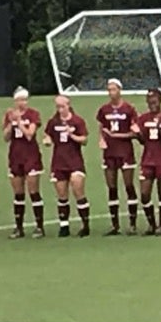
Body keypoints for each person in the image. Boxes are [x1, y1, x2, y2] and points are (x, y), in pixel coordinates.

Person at [95, 78, 139, 235]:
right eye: (109, 89)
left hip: (125, 151)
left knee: (129, 186)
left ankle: (132, 223)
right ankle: (115, 225)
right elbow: (101, 126)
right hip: (110, 153)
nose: (111, 92)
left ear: (120, 90)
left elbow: (135, 132)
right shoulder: (104, 109)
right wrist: (101, 139)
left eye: (113, 89)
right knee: (112, 188)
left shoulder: (129, 109)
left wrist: (117, 135)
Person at [2, 87, 46, 238]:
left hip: (31, 155)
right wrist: (10, 123)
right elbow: (6, 137)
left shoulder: (33, 114)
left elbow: (29, 134)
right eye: (20, 100)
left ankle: (39, 226)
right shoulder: (9, 115)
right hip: (15, 156)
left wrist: (19, 121)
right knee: (18, 194)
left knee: (33, 191)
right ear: (15, 101)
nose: (23, 103)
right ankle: (18, 227)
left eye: (25, 100)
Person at [46, 94, 91, 237]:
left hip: (74, 161)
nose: (60, 109)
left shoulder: (77, 121)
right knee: (62, 195)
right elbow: (48, 135)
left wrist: (72, 136)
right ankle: (64, 226)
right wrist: (47, 140)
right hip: (59, 162)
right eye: (58, 107)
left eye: (62, 106)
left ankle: (85, 225)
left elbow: (84, 140)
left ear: (68, 105)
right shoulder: (53, 122)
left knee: (78, 190)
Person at [136, 88, 161, 235]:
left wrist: (159, 128)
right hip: (147, 159)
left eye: (154, 101)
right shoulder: (143, 118)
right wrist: (137, 133)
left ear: (160, 101)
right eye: (149, 101)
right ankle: (151, 224)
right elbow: (142, 141)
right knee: (145, 194)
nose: (151, 104)